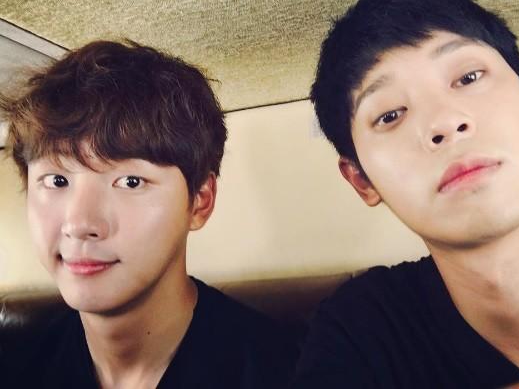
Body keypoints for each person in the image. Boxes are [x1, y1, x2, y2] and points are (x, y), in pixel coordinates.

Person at [293, 0, 519, 387]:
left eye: (468, 77)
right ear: (362, 180)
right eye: (390, 115)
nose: (444, 123)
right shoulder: (362, 331)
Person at [0, 40, 298, 388]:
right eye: (57, 180)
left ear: (200, 201)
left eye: (130, 182)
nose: (79, 224)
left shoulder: (287, 371)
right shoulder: (16, 366)